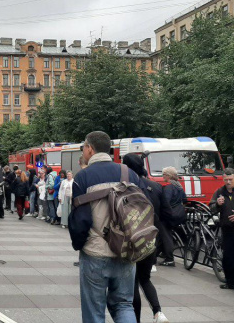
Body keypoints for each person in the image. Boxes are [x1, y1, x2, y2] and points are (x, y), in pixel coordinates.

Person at [68, 131, 141, 323]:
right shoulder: (129, 173)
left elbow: (81, 220)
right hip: (126, 251)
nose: (83, 151)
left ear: (90, 149)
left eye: (83, 146)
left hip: (95, 252)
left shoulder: (83, 177)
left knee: (94, 311)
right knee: (124, 304)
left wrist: (79, 245)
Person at [122, 154, 169, 323]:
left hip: (133, 240)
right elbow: (166, 214)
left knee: (133, 283)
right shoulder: (156, 186)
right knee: (145, 278)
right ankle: (158, 312)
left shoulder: (127, 187)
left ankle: (136, 320)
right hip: (151, 239)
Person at [158, 166, 187, 267]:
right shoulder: (179, 186)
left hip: (168, 216)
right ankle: (161, 253)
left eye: (164, 175)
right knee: (163, 235)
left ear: (168, 176)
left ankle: (169, 259)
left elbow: (165, 201)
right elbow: (185, 199)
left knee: (166, 236)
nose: (163, 177)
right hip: (178, 215)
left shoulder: (168, 187)